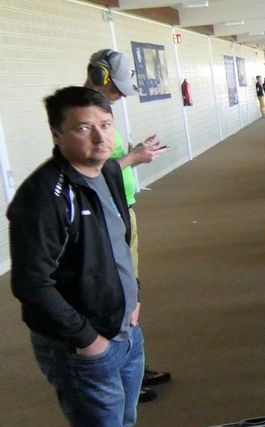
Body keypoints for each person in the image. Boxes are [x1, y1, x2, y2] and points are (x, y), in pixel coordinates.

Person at [10, 86, 173, 427]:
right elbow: (32, 286)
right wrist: (88, 339)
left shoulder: (104, 172)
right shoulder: (42, 198)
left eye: (105, 124)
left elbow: (118, 248)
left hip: (123, 327)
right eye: (83, 127)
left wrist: (134, 297)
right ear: (57, 134)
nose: (99, 136)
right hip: (84, 346)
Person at [85, 49, 172, 402]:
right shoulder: (85, 116)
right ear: (99, 75)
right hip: (109, 213)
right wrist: (133, 158)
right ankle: (125, 374)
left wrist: (133, 153)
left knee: (131, 289)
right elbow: (90, 171)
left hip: (122, 208)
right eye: (117, 87)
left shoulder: (100, 112)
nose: (120, 95)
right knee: (122, 293)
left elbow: (108, 162)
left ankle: (133, 364)